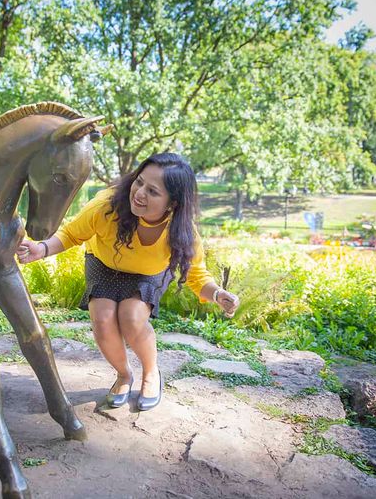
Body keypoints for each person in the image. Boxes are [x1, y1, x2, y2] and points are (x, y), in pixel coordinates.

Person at [16, 153, 240, 411]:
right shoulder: (107, 206)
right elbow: (71, 233)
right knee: (103, 319)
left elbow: (196, 274)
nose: (140, 193)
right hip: (104, 263)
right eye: (139, 182)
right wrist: (41, 249)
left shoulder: (181, 231)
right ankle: (123, 375)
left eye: (153, 191)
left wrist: (217, 294)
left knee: (132, 318)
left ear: (173, 203)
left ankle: (151, 373)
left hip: (149, 272)